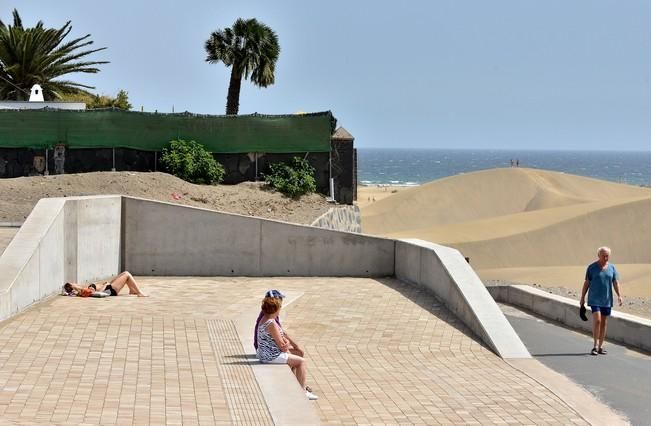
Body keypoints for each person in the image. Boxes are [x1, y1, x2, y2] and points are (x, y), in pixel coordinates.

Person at [256, 292, 318, 400]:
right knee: (301, 361)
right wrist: (287, 343)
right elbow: (282, 347)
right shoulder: (271, 323)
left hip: (264, 353)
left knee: (294, 356)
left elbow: (278, 338)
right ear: (275, 309)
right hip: (271, 356)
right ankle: (302, 392)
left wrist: (284, 342)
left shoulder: (264, 320)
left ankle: (295, 385)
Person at [580, 246, 623, 355]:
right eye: (604, 255)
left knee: (604, 323)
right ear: (598, 255)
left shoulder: (612, 268)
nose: (606, 257)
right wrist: (582, 298)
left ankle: (601, 346)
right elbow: (587, 283)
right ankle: (594, 346)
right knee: (598, 320)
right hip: (594, 299)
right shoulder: (591, 268)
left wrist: (619, 295)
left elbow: (615, 283)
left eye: (607, 255)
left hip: (607, 300)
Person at [62, 271, 147, 297]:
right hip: (110, 289)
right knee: (127, 275)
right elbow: (98, 293)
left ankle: (132, 290)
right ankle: (139, 292)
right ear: (73, 286)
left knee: (124, 273)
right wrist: (105, 285)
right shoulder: (84, 290)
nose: (74, 282)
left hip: (109, 287)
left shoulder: (81, 289)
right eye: (72, 284)